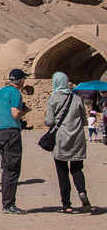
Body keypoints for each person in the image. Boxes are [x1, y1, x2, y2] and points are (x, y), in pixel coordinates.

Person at [45, 72, 91, 214]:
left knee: (62, 172)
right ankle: (82, 192)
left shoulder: (53, 99)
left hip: (61, 139)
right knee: (77, 169)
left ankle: (67, 205)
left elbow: (50, 122)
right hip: (77, 138)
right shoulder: (77, 99)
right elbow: (84, 120)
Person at [0, 68, 32, 214]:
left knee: (6, 169)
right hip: (11, 133)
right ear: (21, 80)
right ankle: (9, 205)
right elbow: (15, 113)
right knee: (13, 170)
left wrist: (3, 111)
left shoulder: (1, 91)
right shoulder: (15, 93)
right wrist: (26, 110)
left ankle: (6, 202)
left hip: (0, 132)